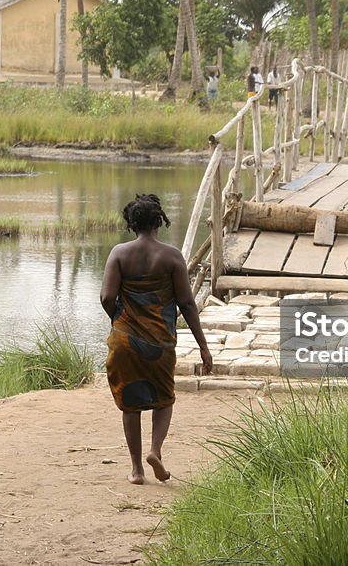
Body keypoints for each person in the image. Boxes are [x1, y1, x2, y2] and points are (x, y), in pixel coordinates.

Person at [100, 194, 212, 485]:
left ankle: (137, 470)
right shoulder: (172, 256)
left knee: (130, 402)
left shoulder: (119, 254)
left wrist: (120, 321)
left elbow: (106, 297)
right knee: (164, 398)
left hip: (125, 341)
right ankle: (156, 450)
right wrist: (202, 345)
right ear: (158, 221)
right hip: (160, 343)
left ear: (131, 223)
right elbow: (187, 303)